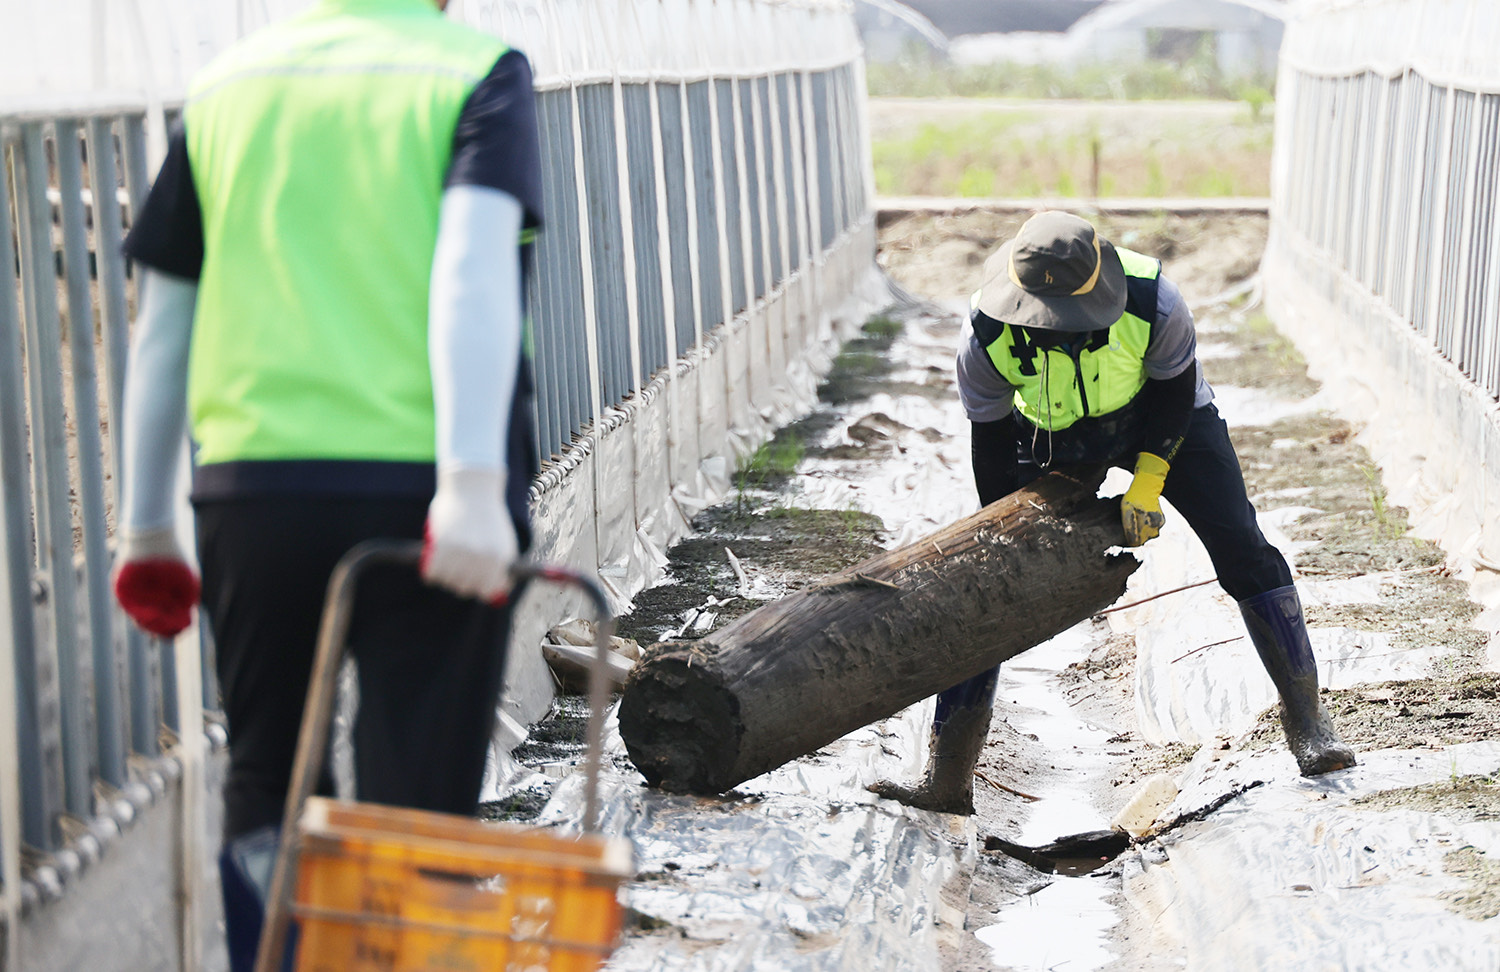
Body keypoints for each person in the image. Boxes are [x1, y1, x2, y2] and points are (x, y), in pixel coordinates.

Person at [111, 0, 542, 966]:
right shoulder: (474, 74)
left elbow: (164, 324)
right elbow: (470, 270)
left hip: (252, 497)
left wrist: (145, 526)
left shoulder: (228, 89)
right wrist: (472, 482)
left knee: (269, 774)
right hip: (421, 499)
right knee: (418, 791)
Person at [872, 211, 1356, 815]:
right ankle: (947, 778)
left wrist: (1150, 480)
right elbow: (990, 438)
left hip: (1157, 416)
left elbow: (1177, 393)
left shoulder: (1156, 300)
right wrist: (1000, 531)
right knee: (982, 585)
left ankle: (1309, 724)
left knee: (1244, 550)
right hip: (1049, 438)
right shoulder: (986, 333)